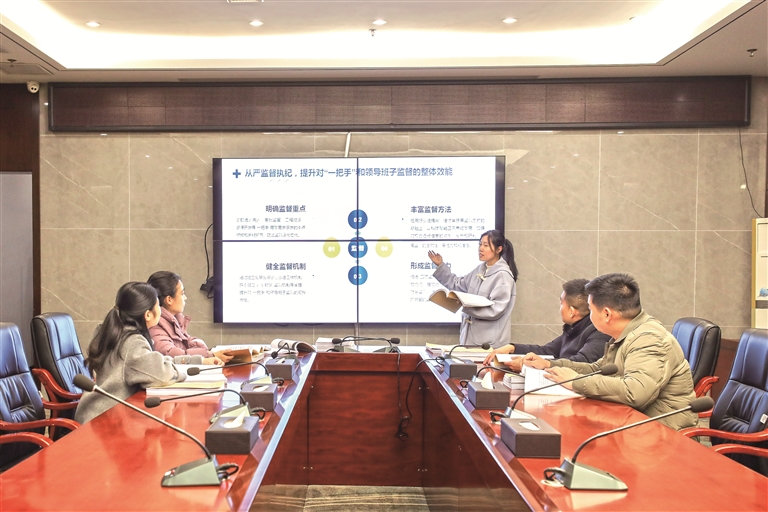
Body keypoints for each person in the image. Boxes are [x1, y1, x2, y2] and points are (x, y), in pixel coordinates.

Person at [523, 273, 698, 430]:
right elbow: (596, 369)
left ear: (607, 314)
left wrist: (575, 381)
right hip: (634, 422)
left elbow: (635, 392)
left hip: (663, 432)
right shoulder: (626, 334)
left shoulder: (649, 339)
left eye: (591, 310)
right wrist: (550, 365)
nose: (589, 316)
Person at [75, 282, 202, 424]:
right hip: (102, 420)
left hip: (98, 413)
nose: (160, 309)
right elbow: (161, 374)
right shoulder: (132, 342)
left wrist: (194, 361)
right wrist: (182, 373)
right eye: (157, 305)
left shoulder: (114, 332)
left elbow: (154, 362)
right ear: (148, 315)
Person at [483, 278, 609, 372]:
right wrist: (512, 348)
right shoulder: (575, 327)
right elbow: (548, 350)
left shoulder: (599, 331)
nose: (560, 308)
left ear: (572, 311)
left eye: (561, 303)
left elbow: (582, 363)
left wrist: (529, 365)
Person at [427, 229, 518, 349]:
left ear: (498, 249)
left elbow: (496, 309)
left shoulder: (503, 275)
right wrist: (440, 265)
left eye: (486, 245)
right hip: (470, 339)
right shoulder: (480, 270)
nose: (481, 248)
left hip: (488, 343)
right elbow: (457, 284)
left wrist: (467, 306)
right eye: (480, 244)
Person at [147, 271, 233, 365]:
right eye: (182, 293)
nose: (185, 298)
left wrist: (206, 350)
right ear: (169, 300)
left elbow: (186, 343)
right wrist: (209, 354)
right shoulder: (155, 325)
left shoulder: (175, 320)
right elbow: (172, 355)